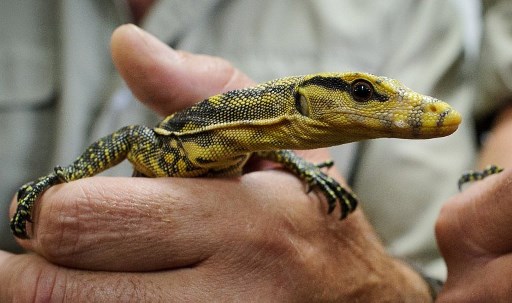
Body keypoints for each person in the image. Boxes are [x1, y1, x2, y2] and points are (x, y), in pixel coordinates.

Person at [1, 0, 511, 301]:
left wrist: (371, 285)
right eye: (360, 94)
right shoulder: (178, 144)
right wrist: (63, 177)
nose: (377, 105)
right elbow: (133, 142)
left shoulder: (408, 12)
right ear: (304, 99)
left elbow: (444, 279)